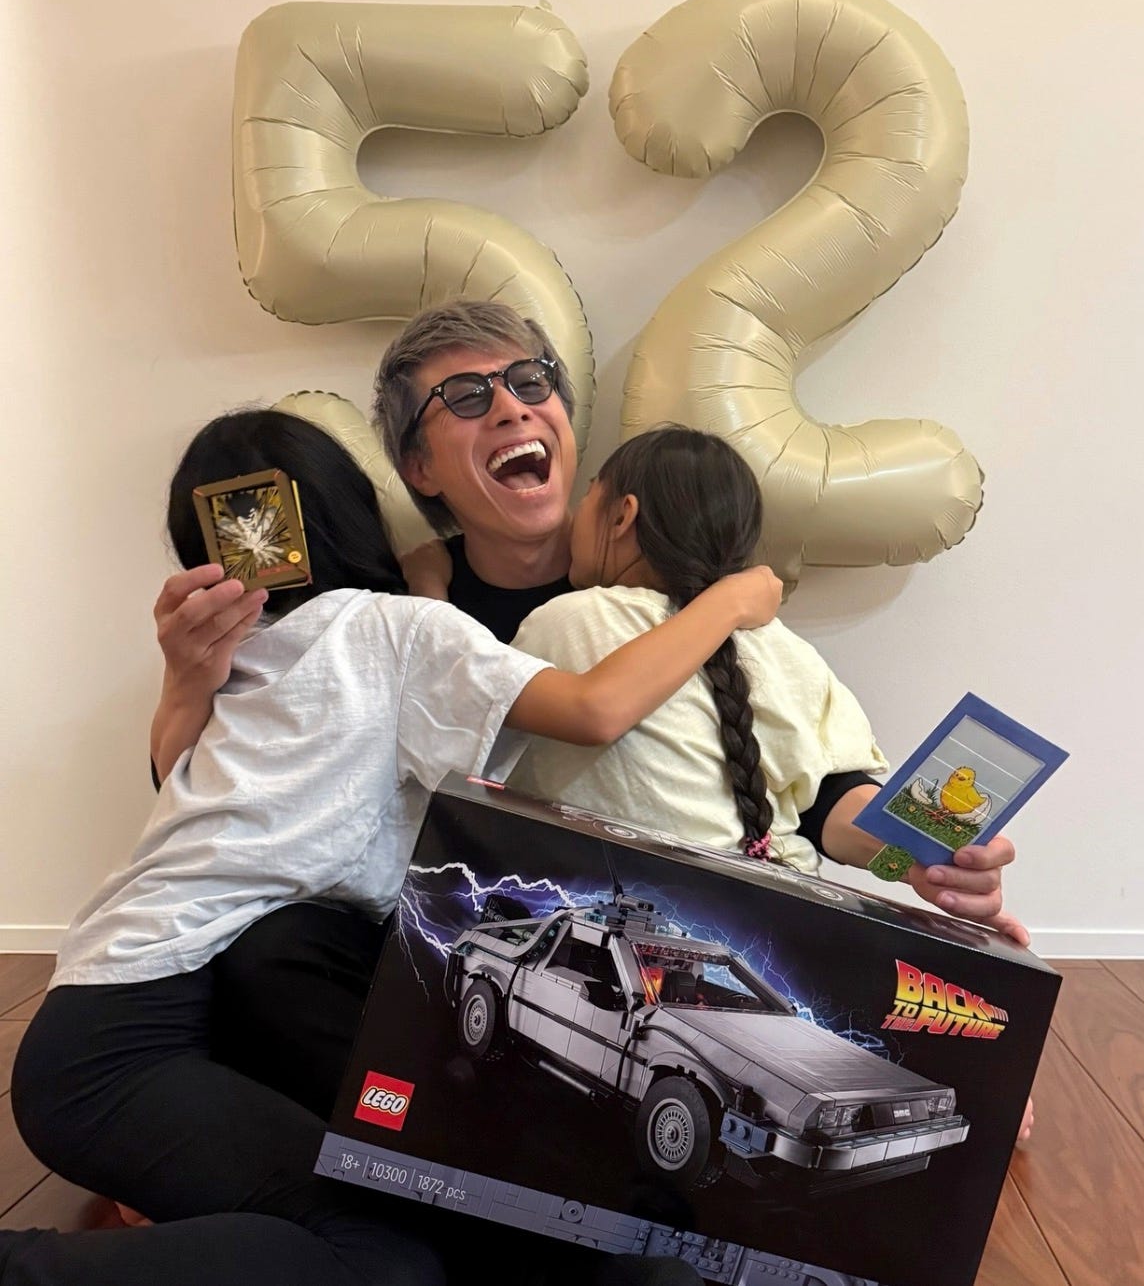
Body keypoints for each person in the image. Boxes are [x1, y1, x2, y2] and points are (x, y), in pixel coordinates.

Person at [148, 303, 1023, 1116]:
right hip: (484, 949)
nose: (511, 407)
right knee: (265, 949)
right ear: (420, 468)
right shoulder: (393, 613)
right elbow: (222, 796)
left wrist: (921, 855)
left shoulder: (687, 606)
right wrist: (188, 683)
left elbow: (820, 793)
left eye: (530, 381)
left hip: (667, 956)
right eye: (467, 397)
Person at [4, 410, 780, 1285]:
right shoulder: (393, 632)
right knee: (381, 1257)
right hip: (131, 1037)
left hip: (101, 1014)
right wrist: (730, 599)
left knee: (392, 1243)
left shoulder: (252, 653)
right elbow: (595, 709)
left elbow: (170, 782)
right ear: (353, 509)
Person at [508, 426, 886, 873]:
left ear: (622, 515)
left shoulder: (572, 619)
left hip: (637, 902)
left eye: (588, 496)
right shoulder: (786, 648)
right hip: (787, 895)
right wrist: (912, 858)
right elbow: (835, 798)